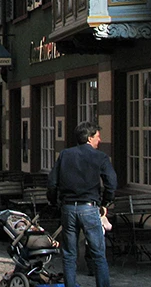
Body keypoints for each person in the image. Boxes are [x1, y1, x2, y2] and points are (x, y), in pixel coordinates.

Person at [47, 122, 117, 287]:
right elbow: (111, 182)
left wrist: (53, 201)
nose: (99, 141)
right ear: (90, 137)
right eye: (97, 137)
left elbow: (52, 182)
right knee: (98, 254)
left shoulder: (65, 155)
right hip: (89, 208)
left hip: (68, 208)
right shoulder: (100, 157)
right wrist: (106, 201)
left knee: (69, 254)